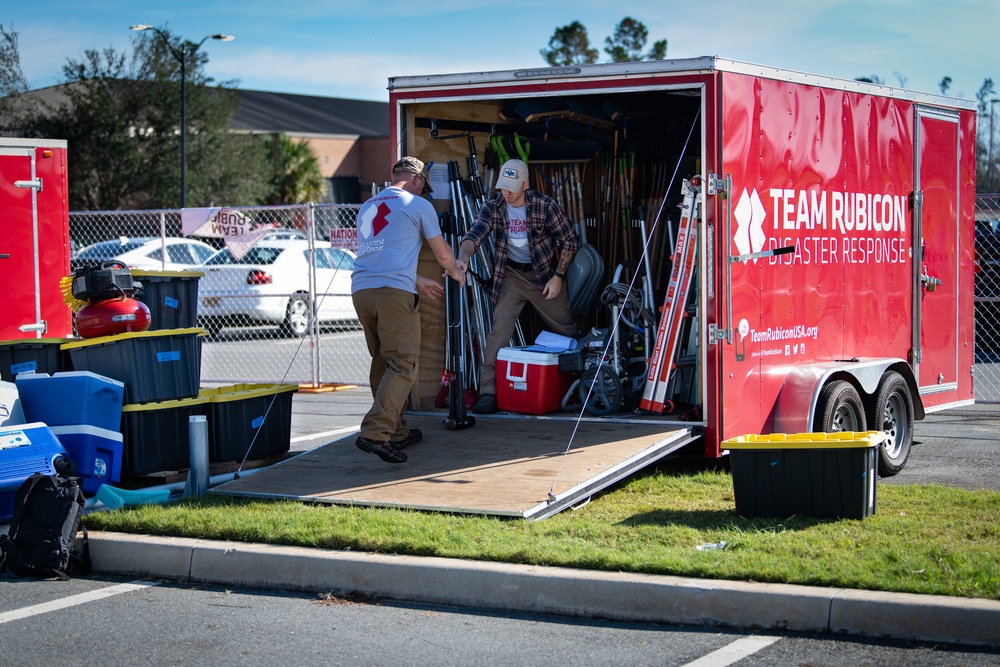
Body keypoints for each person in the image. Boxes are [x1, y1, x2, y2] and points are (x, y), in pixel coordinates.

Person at [352, 157, 466, 463]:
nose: (424, 192)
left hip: (361, 290)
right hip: (393, 296)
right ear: (417, 180)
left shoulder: (368, 206)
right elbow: (442, 253)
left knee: (383, 362)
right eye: (424, 187)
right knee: (403, 364)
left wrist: (414, 280)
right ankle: (376, 433)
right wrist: (457, 272)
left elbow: (381, 255)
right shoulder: (417, 205)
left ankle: (397, 431)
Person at [458, 158, 579, 415]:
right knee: (498, 333)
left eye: (512, 188)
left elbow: (570, 241)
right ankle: (488, 392)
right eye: (503, 187)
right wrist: (463, 258)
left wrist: (558, 276)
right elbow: (474, 235)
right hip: (512, 275)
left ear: (526, 184)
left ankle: (573, 387)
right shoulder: (494, 205)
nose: (506, 193)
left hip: (545, 276)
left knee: (565, 328)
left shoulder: (545, 206)